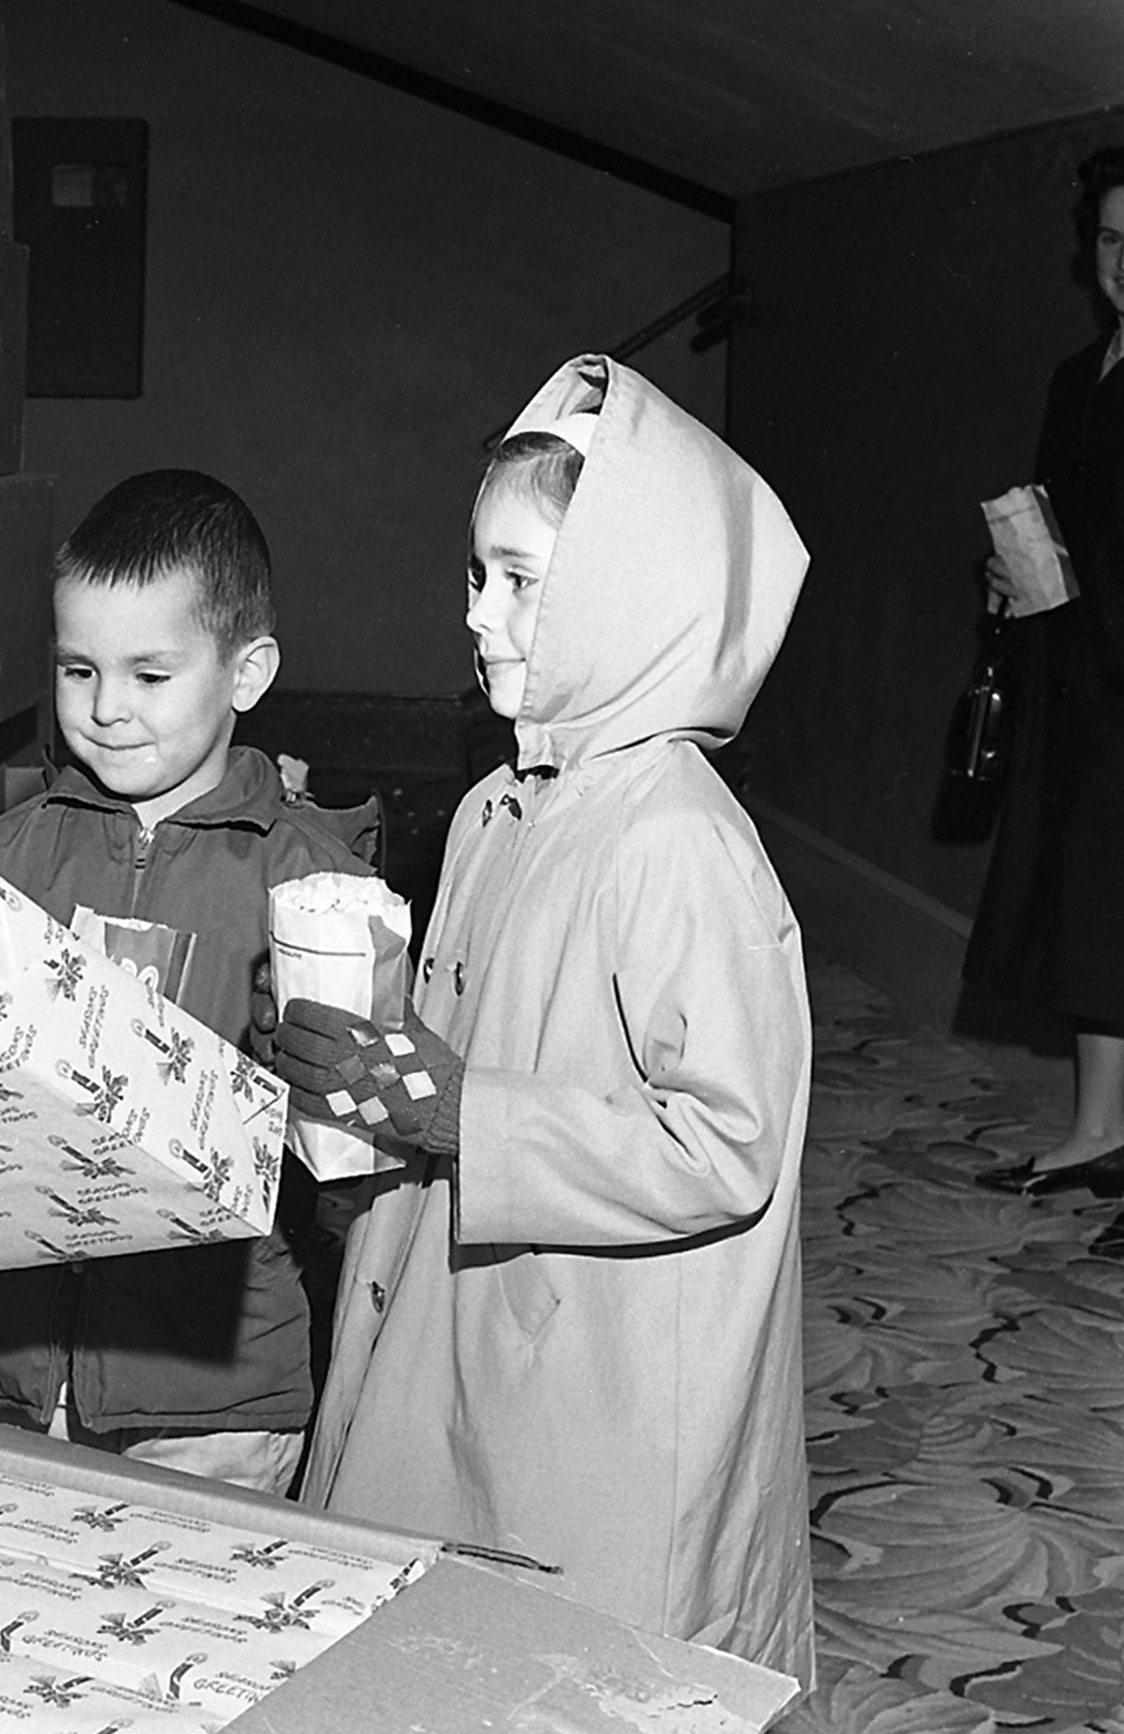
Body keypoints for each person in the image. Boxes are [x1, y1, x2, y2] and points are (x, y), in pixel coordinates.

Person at [271, 355, 816, 1680]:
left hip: (602, 1376)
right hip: (461, 1303)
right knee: (435, 1642)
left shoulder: (679, 838)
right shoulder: (497, 804)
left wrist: (463, 1108)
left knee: (576, 1665)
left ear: (630, 599)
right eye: (476, 574)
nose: (482, 612)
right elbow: (480, 1039)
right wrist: (370, 1059)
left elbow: (727, 1142)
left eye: (525, 580)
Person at [0, 469, 369, 1495]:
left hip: (212, 1394)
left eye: (148, 675)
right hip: (10, 1373)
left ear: (245, 671)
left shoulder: (311, 877)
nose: (105, 711)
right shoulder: (1, 860)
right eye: (77, 670)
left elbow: (352, 1167)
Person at [968, 146, 1124, 1204]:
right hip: (1081, 680)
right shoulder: (1081, 373)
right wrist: (1009, 571)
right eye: (1113, 241)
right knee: (1089, 907)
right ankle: (1098, 1130)